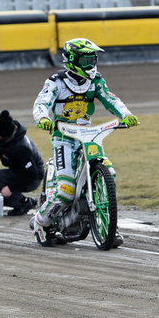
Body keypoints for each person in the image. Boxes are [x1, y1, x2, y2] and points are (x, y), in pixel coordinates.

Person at [30, 38, 139, 241]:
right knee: (65, 191)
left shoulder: (96, 80)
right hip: (63, 136)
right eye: (87, 60)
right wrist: (43, 118)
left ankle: (109, 227)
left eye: (93, 59)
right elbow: (42, 102)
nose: (91, 65)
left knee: (108, 174)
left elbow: (110, 98)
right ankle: (39, 221)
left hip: (88, 135)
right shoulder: (56, 81)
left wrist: (126, 114)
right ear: (73, 60)